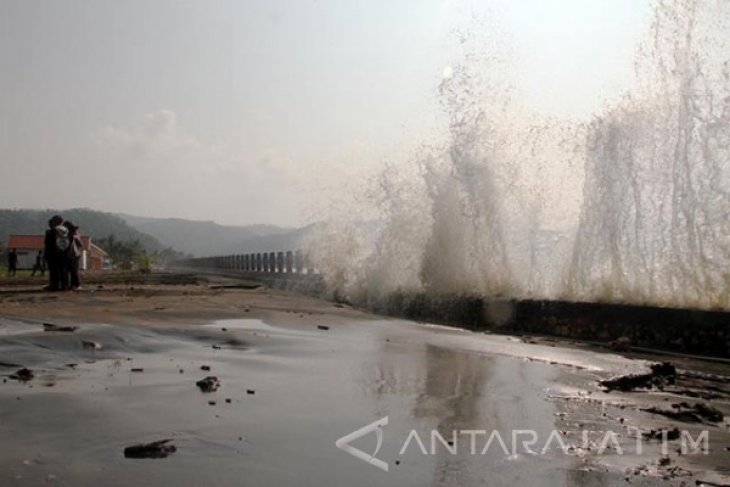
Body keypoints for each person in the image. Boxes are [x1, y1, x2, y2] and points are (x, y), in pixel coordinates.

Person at [44, 215, 67, 291]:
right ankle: (64, 285)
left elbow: (48, 242)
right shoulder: (65, 230)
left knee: (54, 270)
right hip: (63, 251)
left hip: (53, 252)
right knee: (62, 269)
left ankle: (54, 285)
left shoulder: (52, 231)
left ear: (56, 221)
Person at [64, 221, 83, 290]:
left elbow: (80, 244)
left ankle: (76, 285)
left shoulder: (74, 235)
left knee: (73, 271)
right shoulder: (69, 235)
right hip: (71, 254)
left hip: (74, 255)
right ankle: (72, 285)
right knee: (70, 270)